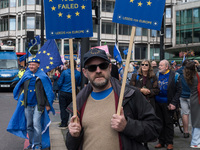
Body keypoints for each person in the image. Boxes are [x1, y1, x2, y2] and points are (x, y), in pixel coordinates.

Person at [66, 48, 162, 150]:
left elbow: (155, 128)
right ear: (85, 72)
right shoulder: (78, 103)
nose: (98, 71)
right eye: (92, 68)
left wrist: (127, 126)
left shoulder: (130, 94)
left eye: (103, 66)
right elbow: (71, 146)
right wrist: (73, 136)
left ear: (110, 67)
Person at [12, 58, 55, 150]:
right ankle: (31, 144)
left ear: (38, 65)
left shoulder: (42, 76)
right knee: (29, 125)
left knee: (36, 124)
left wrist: (48, 104)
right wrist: (20, 98)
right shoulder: (26, 75)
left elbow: (48, 91)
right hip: (27, 104)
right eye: (30, 64)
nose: (31, 66)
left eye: (33, 64)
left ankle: (38, 145)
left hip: (38, 104)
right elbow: (20, 86)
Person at [129, 59, 160, 150]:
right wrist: (141, 90)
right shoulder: (135, 76)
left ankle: (146, 143)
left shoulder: (153, 77)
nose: (144, 66)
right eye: (142, 64)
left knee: (148, 123)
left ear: (149, 66)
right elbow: (131, 87)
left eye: (146, 64)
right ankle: (138, 142)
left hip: (149, 102)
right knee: (138, 122)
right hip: (138, 103)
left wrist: (149, 91)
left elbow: (157, 90)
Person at [155, 59, 182, 150]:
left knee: (168, 123)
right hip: (157, 103)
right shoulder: (157, 75)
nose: (159, 67)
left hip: (169, 103)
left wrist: (174, 103)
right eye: (159, 65)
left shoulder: (175, 75)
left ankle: (169, 142)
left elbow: (179, 91)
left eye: (161, 65)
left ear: (167, 66)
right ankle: (161, 141)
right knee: (160, 122)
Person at [57, 59, 81, 128]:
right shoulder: (78, 73)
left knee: (63, 108)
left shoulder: (64, 72)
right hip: (72, 93)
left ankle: (64, 123)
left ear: (69, 65)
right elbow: (79, 83)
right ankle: (73, 121)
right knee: (73, 109)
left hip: (64, 92)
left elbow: (60, 83)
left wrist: (60, 89)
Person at [184, 61, 200, 148]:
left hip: (193, 98)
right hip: (198, 98)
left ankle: (195, 140)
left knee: (195, 120)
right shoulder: (197, 76)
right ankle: (195, 142)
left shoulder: (189, 76)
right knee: (198, 121)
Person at [176, 59, 190, 138]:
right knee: (195, 114)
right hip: (192, 95)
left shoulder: (178, 72)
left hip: (182, 95)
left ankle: (186, 131)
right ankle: (196, 131)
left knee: (185, 113)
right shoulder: (192, 72)